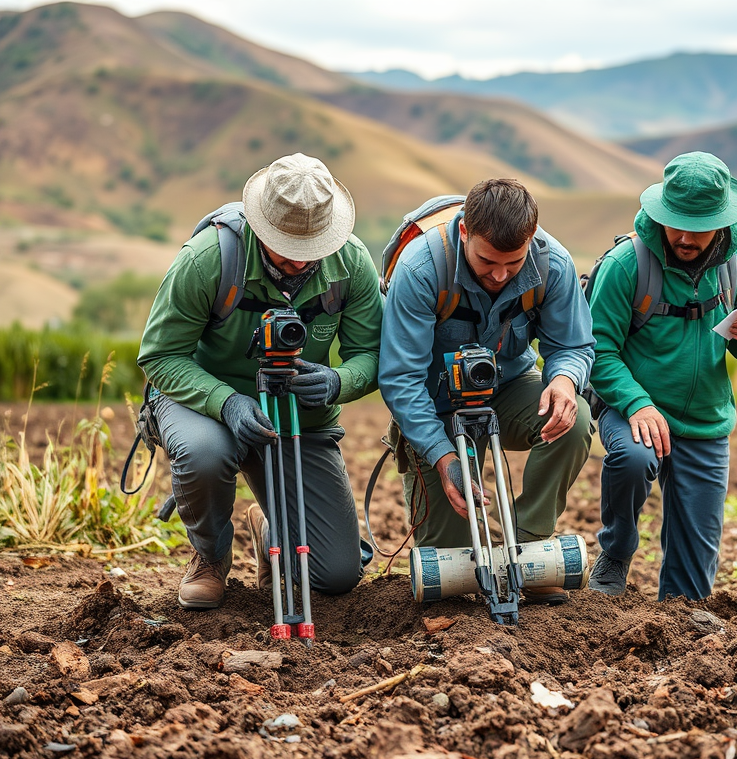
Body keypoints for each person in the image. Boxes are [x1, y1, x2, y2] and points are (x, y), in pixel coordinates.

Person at [138, 153, 382, 609]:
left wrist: (337, 381)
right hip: (202, 402)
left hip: (297, 417)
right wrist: (225, 401)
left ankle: (272, 529)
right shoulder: (208, 259)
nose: (297, 260)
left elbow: (371, 354)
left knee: (336, 575)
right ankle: (209, 556)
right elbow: (160, 355)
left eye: (310, 248)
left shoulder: (351, 265)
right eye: (284, 246)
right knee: (205, 452)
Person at [379, 179, 595, 605]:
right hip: (435, 407)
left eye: (512, 264)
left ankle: (526, 547)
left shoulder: (554, 264)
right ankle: (458, 538)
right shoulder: (421, 269)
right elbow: (401, 379)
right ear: (464, 232)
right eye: (486, 261)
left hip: (509, 387)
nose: (499, 275)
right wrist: (442, 457)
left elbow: (572, 345)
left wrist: (565, 380)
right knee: (448, 580)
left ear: (530, 240)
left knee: (576, 420)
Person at [586, 151, 737, 601]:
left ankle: (678, 631)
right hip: (632, 406)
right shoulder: (625, 265)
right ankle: (616, 550)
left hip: (706, 421)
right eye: (677, 222)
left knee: (691, 598)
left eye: (699, 225)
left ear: (722, 219)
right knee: (634, 459)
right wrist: (637, 403)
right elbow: (598, 352)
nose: (686, 237)